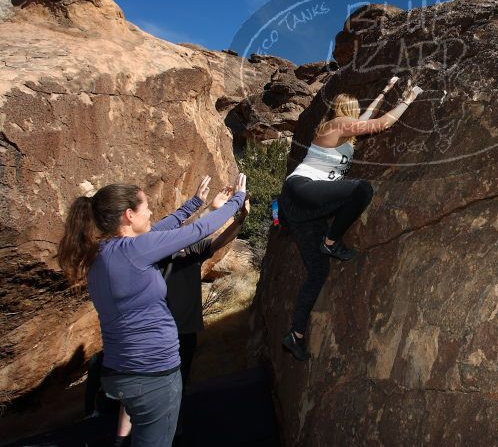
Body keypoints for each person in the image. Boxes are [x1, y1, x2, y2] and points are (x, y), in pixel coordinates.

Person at [58, 173, 247, 447]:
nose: (150, 213)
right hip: (154, 375)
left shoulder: (101, 253)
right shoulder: (136, 250)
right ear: (129, 215)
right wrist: (237, 200)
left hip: (120, 371)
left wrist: (193, 204)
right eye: (146, 208)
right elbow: (197, 232)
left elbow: (160, 231)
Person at [278, 77, 425, 360]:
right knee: (361, 189)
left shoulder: (345, 132)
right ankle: (332, 241)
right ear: (345, 111)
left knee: (318, 272)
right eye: (354, 111)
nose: (358, 115)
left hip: (305, 210)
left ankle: (294, 335)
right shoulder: (335, 125)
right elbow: (380, 123)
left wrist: (386, 89)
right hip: (302, 190)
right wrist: (408, 98)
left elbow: (368, 117)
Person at [160, 186, 250, 389]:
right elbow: (192, 231)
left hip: (187, 330)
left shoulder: (194, 251)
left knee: (181, 382)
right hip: (162, 329)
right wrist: (210, 209)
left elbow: (221, 240)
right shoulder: (161, 255)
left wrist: (241, 218)